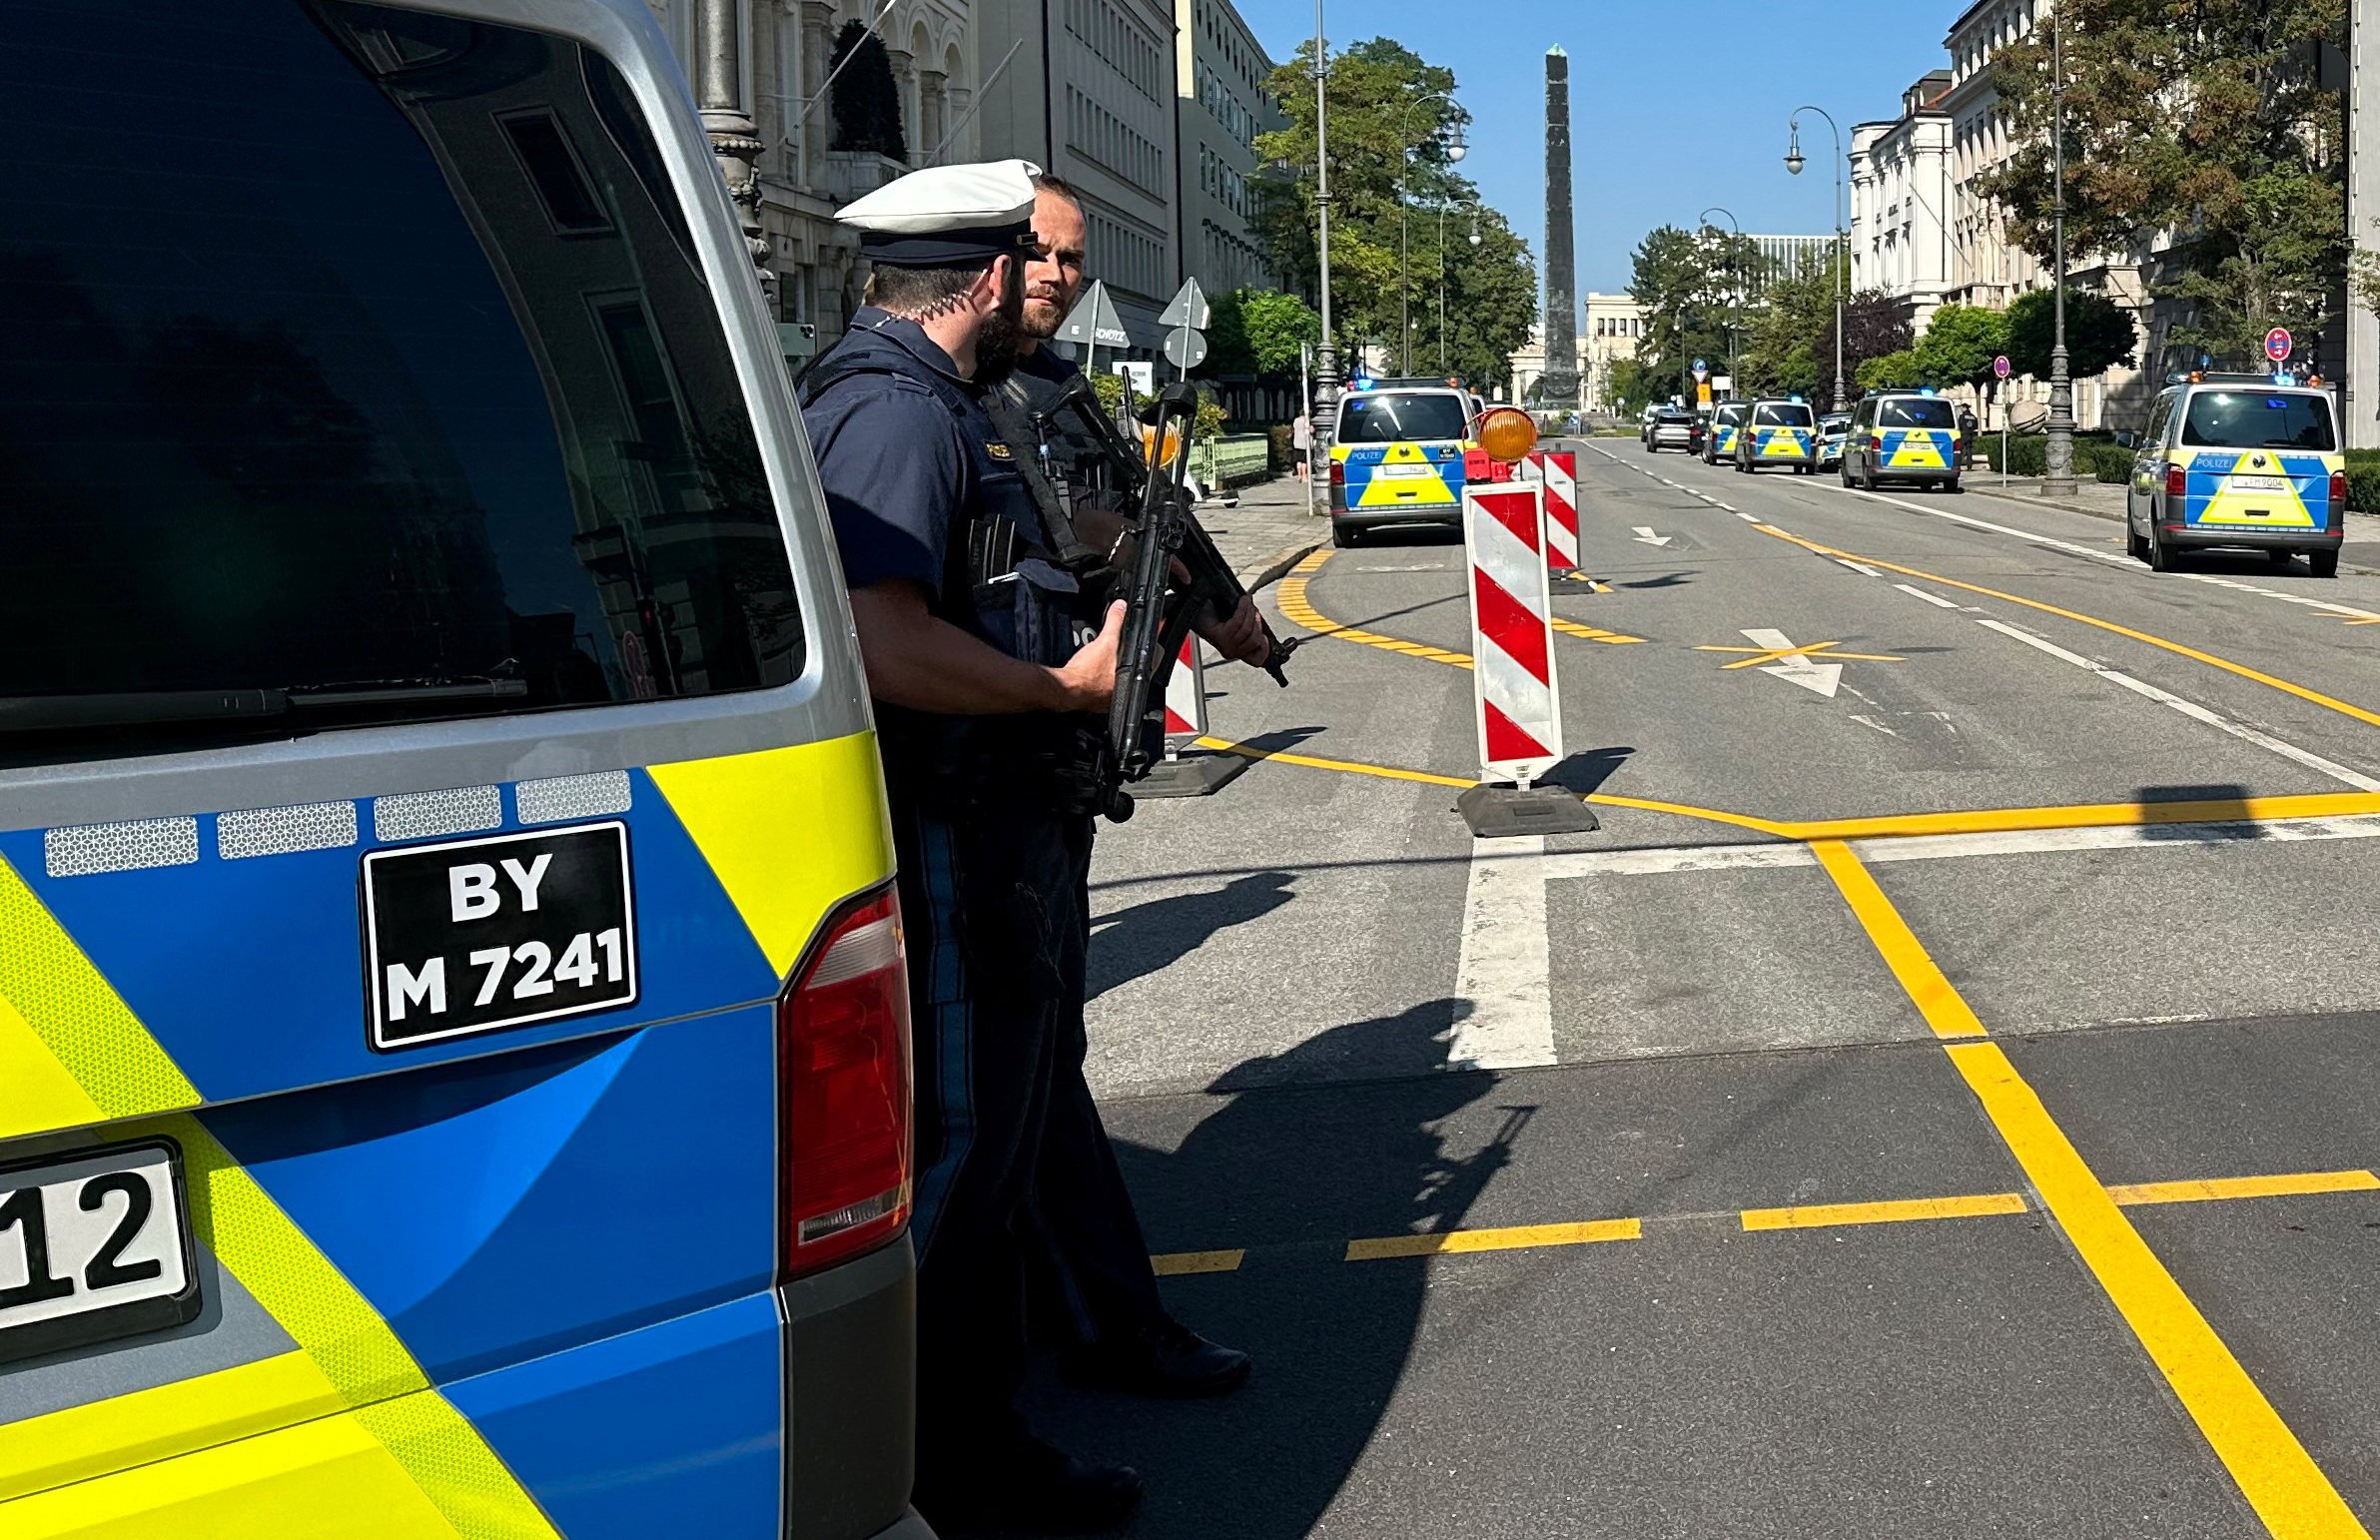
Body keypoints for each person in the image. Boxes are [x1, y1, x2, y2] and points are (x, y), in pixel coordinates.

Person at [797, 158, 1143, 1534]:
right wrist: (1057, 689)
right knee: (956, 1149)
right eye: (1034, 266)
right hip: (954, 825)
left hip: (994, 817)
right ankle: (938, 1462)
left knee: (991, 1135)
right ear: (990, 275)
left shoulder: (932, 403)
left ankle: (963, 1436)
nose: (1048, 288)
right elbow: (883, 640)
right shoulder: (896, 413)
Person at [997, 174, 1260, 1398]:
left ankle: (1043, 1303)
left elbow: (1156, 521)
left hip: (1053, 768)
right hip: (985, 764)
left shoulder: (1054, 388)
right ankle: (1089, 1322)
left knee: (1040, 1047)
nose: (1054, 277)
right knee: (1022, 1058)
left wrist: (1230, 618)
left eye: (1067, 260)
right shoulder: (924, 401)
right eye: (1035, 256)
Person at [1292, 407, 1312, 481]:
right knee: (1304, 461)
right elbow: (1311, 430)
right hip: (1305, 444)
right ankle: (1304, 476)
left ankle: (1299, 475)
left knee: (1298, 460)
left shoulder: (1296, 420)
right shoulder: (1307, 421)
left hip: (1296, 443)